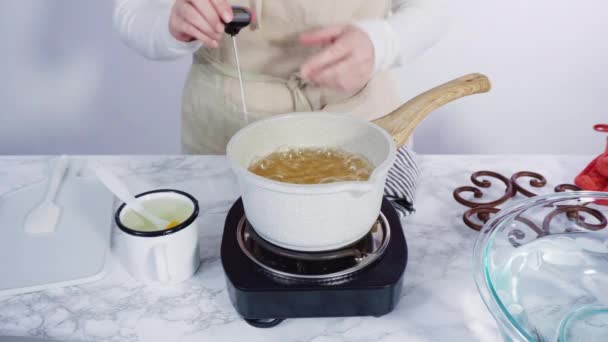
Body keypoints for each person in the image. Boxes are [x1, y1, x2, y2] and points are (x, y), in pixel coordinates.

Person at [113, 0, 449, 216]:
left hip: (359, 111)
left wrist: (381, 43)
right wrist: (171, 23)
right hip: (225, 121)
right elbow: (134, 11)